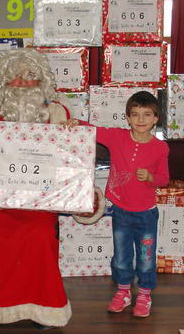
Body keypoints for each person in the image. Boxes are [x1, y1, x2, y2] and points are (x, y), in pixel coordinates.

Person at [0, 48, 105, 330]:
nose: (23, 83)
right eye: (15, 77)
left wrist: (85, 196)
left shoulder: (58, 114)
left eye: (31, 77)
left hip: (36, 204)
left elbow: (73, 164)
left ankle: (38, 307)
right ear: (3, 82)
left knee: (38, 234)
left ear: (42, 82)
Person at [65, 91, 169, 318]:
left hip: (146, 214)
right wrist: (77, 122)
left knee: (146, 256)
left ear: (156, 119)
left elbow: (164, 178)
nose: (141, 120)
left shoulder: (160, 148)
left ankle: (144, 294)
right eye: (135, 114)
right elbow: (95, 131)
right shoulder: (117, 138)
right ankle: (123, 292)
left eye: (147, 114)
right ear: (128, 118)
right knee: (121, 256)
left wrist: (151, 177)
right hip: (121, 210)